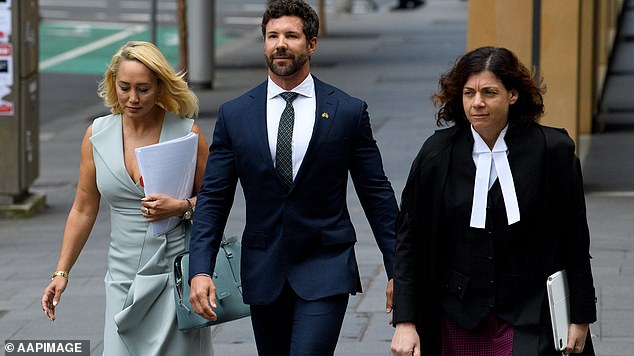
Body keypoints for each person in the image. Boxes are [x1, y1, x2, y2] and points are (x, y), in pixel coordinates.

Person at [188, 0, 398, 355]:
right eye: (272, 36)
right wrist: (200, 270)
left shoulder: (347, 110)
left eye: (290, 35)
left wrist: (398, 269)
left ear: (311, 44)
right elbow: (213, 199)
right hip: (263, 269)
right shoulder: (236, 115)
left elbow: (377, 195)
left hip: (325, 265)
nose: (280, 44)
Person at [390, 46, 597, 356]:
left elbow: (575, 239)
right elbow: (409, 240)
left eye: (489, 92)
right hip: (455, 313)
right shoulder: (436, 154)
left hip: (529, 312)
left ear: (512, 95)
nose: (477, 103)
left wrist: (579, 317)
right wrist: (405, 321)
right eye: (469, 93)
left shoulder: (552, 151)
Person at [40, 41, 212, 356]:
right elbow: (82, 209)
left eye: (143, 89)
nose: (132, 98)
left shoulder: (187, 134)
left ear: (160, 86)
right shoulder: (97, 135)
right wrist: (61, 272)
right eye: (125, 87)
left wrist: (182, 207)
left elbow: (215, 201)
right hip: (121, 279)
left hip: (174, 277)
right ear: (113, 84)